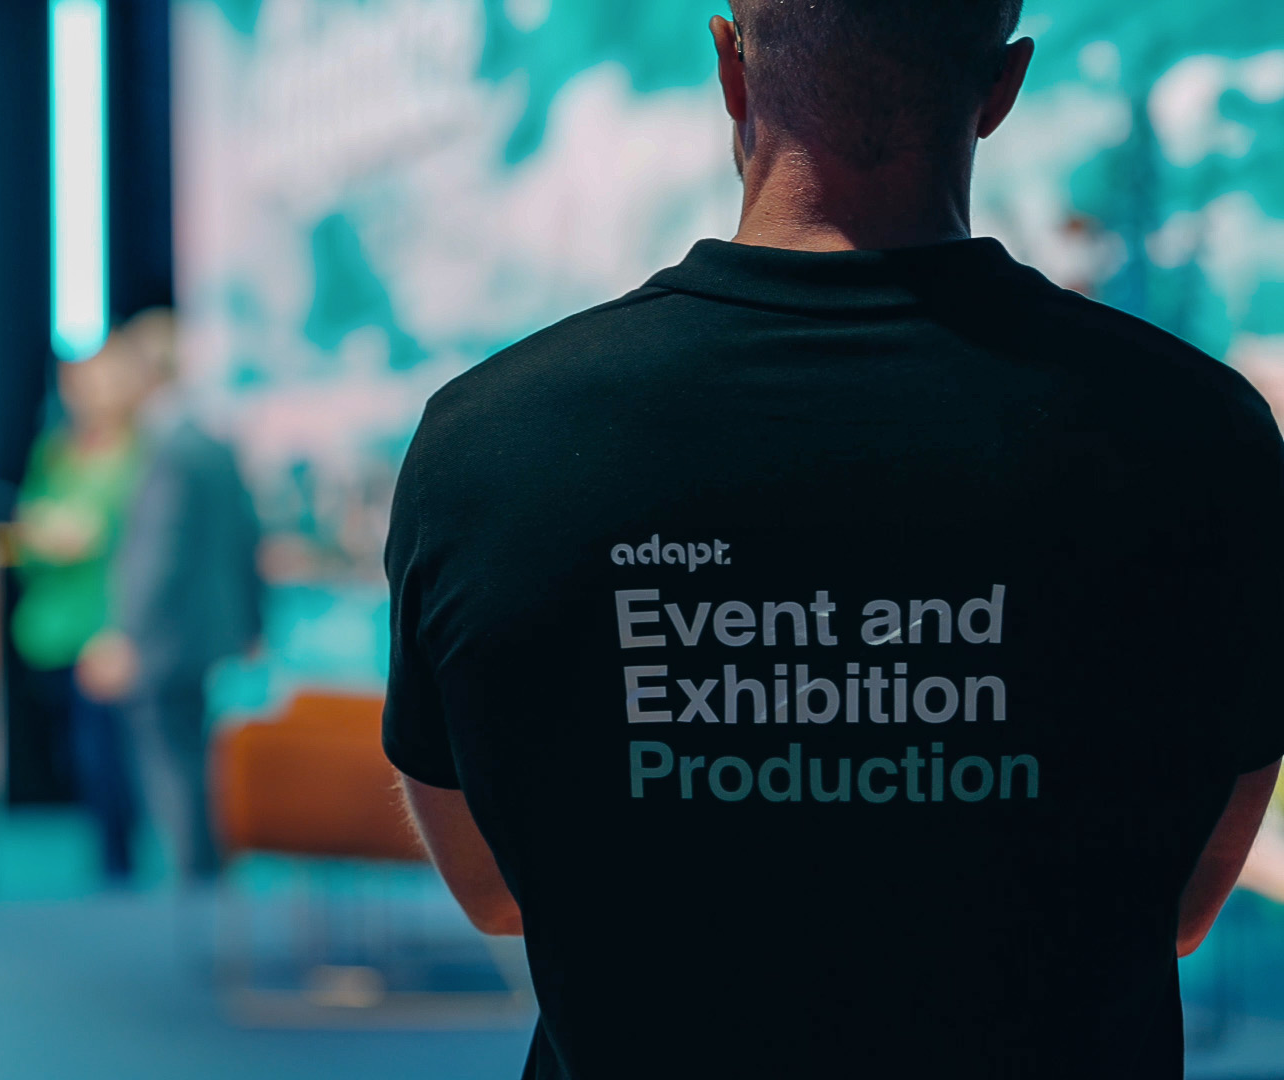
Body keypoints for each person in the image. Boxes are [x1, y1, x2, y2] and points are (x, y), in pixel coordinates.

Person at [384, 4, 1283, 1078]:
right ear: (1001, 89)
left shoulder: (488, 444)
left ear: (730, 66)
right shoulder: (1198, 436)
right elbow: (1184, 905)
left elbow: (494, 893)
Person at [77, 310, 264, 883]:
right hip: (213, 636)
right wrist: (253, 625)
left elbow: (156, 557)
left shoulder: (167, 452)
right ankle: (206, 883)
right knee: (199, 767)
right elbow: (246, 542)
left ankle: (196, 893)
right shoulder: (214, 444)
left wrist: (125, 636)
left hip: (166, 643)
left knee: (174, 774)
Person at [11, 343, 147, 882]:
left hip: (109, 627)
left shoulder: (140, 455)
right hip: (53, 626)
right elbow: (30, 524)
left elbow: (132, 545)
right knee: (76, 753)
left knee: (108, 756)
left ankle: (123, 869)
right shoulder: (58, 451)